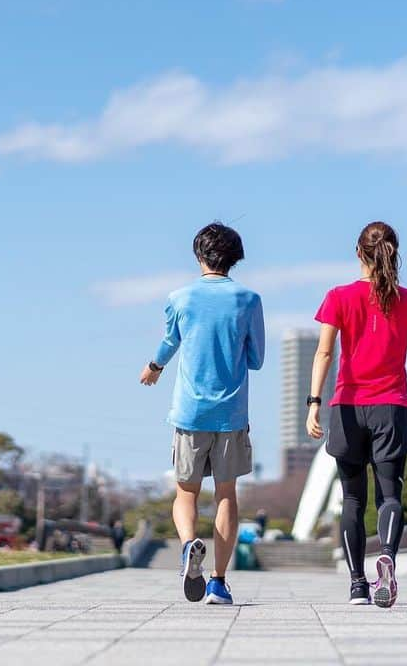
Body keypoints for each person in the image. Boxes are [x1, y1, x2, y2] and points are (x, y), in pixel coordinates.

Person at [306, 221, 407, 608]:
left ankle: (358, 584)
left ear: (358, 253)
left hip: (347, 407)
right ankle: (388, 559)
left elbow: (325, 353)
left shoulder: (339, 297)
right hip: (391, 407)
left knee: (352, 500)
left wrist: (314, 403)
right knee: (390, 495)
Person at [140, 222, 265, 606]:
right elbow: (257, 358)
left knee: (186, 491)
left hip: (190, 411)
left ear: (199, 255)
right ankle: (218, 583)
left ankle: (188, 544)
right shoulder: (248, 299)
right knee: (226, 494)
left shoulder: (180, 297)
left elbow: (169, 341)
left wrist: (154, 368)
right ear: (235, 258)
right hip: (231, 412)